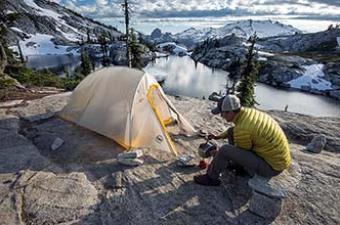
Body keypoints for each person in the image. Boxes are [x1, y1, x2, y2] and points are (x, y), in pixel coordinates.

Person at [194, 95, 291, 186]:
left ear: (230, 112)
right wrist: (218, 137)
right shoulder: (247, 113)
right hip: (275, 159)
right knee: (232, 131)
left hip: (270, 168)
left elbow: (240, 150)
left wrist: (218, 154)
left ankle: (211, 178)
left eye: (222, 113)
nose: (221, 116)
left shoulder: (244, 128)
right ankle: (237, 167)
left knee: (225, 150)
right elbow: (233, 132)